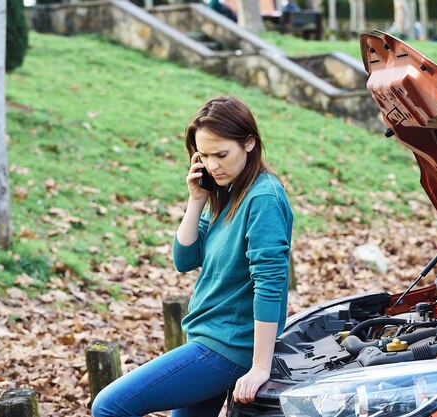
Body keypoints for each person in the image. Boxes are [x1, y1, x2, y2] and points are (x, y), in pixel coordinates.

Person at [91, 96, 293, 417]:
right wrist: (196, 199)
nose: (213, 165)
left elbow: (270, 283)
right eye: (204, 156)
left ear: (250, 143)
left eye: (222, 154)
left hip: (225, 349)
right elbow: (184, 259)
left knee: (109, 406)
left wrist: (259, 367)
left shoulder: (263, 198)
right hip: (206, 338)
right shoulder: (224, 192)